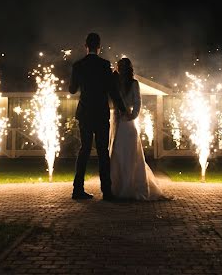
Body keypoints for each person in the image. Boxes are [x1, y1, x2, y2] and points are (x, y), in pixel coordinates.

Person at [69, 32, 128, 201]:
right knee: (103, 152)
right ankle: (107, 192)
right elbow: (112, 90)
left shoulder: (78, 66)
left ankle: (77, 189)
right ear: (99, 46)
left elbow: (72, 90)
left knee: (84, 150)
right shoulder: (104, 65)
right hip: (101, 113)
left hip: (85, 113)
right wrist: (123, 108)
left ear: (85, 46)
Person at [108, 57, 167, 201]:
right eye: (119, 66)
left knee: (129, 154)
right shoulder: (115, 82)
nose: (120, 69)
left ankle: (129, 187)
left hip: (127, 122)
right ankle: (116, 187)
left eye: (122, 67)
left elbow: (137, 102)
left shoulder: (134, 84)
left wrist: (132, 116)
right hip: (116, 121)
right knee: (117, 152)